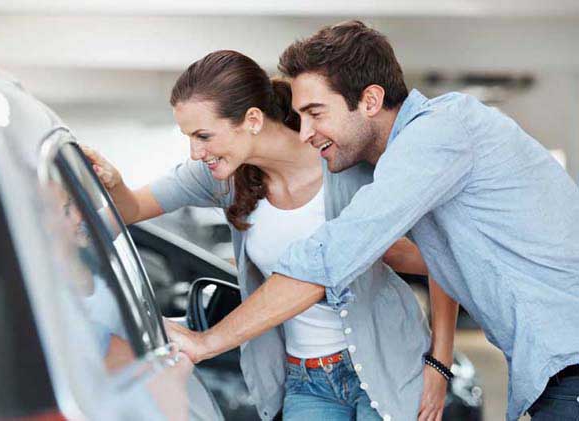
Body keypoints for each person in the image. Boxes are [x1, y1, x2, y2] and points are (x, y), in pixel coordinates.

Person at [167, 21, 579, 421]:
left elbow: (328, 260)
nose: (306, 132)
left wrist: (207, 342)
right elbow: (433, 262)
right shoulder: (422, 154)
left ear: (369, 100)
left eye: (315, 113)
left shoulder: (437, 136)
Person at [83, 50, 458, 421]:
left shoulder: (349, 162)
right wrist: (114, 184)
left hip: (390, 367)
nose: (196, 152)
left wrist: (440, 364)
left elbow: (445, 256)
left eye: (203, 135)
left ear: (252, 120)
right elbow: (131, 209)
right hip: (307, 379)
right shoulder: (222, 177)